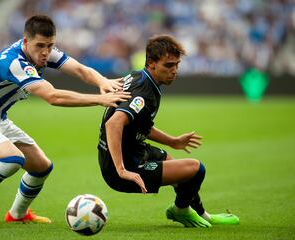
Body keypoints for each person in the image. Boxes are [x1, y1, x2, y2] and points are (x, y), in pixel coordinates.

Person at [0, 14, 130, 229]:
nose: (45, 52)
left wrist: (102, 81)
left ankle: (17, 214)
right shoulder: (14, 62)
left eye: (50, 46)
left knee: (42, 166)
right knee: (12, 159)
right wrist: (101, 99)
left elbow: (79, 69)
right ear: (25, 42)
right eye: (40, 46)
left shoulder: (45, 52)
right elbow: (53, 96)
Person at [97, 34, 239, 228]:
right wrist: (121, 170)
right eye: (168, 65)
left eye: (177, 65)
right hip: (122, 167)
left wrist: (172, 141)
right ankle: (180, 211)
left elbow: (139, 124)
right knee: (196, 169)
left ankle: (201, 213)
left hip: (132, 151)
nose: (174, 71)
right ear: (151, 63)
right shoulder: (144, 91)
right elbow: (113, 124)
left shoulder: (139, 76)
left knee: (176, 166)